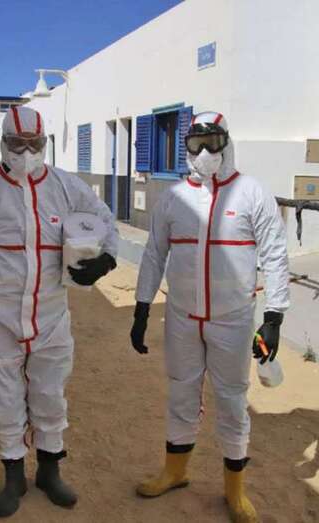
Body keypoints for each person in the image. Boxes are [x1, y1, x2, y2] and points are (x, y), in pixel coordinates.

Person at [0, 106, 118, 517]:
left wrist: (108, 258)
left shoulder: (66, 186)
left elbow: (104, 218)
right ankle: (13, 478)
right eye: (16, 144)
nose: (26, 153)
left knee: (49, 394)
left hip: (51, 314)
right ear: (3, 143)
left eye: (35, 145)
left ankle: (48, 471)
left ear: (45, 144)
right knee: (4, 398)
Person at [130, 111, 289, 522]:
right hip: (183, 316)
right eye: (196, 145)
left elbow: (274, 255)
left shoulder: (252, 193)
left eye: (212, 143)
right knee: (181, 392)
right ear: (186, 148)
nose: (204, 153)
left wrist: (273, 316)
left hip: (232, 319)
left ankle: (235, 491)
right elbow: (153, 254)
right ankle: (174, 472)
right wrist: (142, 306)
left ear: (226, 143)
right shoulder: (174, 198)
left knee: (232, 400)